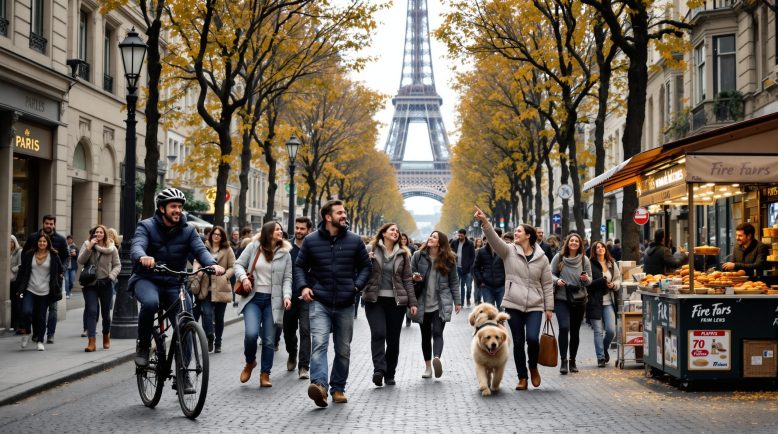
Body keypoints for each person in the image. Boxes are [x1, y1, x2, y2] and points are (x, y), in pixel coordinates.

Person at [130, 188, 225, 369]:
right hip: (147, 279)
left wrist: (211, 263)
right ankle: (143, 345)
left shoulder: (188, 230)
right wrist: (142, 257)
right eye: (173, 206)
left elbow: (200, 250)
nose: (178, 210)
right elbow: (137, 246)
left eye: (180, 206)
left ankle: (184, 372)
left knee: (186, 324)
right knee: (150, 303)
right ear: (162, 208)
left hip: (174, 283)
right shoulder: (146, 226)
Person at [295, 200, 371, 407]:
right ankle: (319, 386)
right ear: (328, 217)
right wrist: (304, 287)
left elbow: (366, 267)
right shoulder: (311, 241)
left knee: (343, 349)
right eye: (340, 212)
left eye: (344, 212)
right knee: (319, 344)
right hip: (320, 300)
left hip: (346, 302)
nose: (344, 215)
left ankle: (338, 388)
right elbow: (299, 266)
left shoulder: (355, 241)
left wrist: (356, 287)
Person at [474, 207, 553, 390]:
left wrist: (549, 308)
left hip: (535, 304)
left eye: (519, 231)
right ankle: (522, 377)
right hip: (513, 303)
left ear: (528, 236)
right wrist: (485, 222)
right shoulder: (509, 251)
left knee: (533, 339)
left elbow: (547, 284)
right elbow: (494, 240)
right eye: (516, 231)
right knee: (518, 341)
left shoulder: (542, 258)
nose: (515, 233)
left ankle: (533, 367)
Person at [234, 221, 292, 387]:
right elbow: (238, 264)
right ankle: (250, 362)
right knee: (251, 335)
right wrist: (244, 278)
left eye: (281, 229)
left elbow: (288, 278)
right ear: (268, 232)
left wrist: (287, 296)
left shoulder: (285, 253)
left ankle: (265, 374)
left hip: (273, 301)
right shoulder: (254, 247)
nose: (280, 231)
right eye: (277, 229)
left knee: (268, 340)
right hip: (253, 298)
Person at [363, 223, 418, 387]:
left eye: (397, 231)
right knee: (379, 333)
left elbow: (407, 280)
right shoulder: (370, 249)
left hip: (396, 302)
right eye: (392, 230)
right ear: (384, 233)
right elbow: (360, 269)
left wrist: (412, 302)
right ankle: (379, 370)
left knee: (393, 340)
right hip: (374, 300)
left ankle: (390, 374)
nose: (396, 232)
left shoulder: (403, 254)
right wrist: (367, 261)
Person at [412, 230, 461, 379]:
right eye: (430, 236)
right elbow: (410, 274)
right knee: (425, 335)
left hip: (440, 303)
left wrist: (457, 301)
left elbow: (454, 281)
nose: (430, 238)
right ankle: (428, 368)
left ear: (440, 242)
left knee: (438, 332)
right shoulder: (418, 256)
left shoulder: (449, 259)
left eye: (434, 237)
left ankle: (437, 358)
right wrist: (415, 277)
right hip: (422, 302)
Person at [550, 232, 592, 374]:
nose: (574, 243)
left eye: (576, 241)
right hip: (562, 298)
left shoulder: (584, 260)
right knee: (564, 327)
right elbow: (550, 274)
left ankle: (572, 360)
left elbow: (590, 280)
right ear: (567, 243)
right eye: (571, 241)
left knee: (575, 331)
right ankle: (563, 361)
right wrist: (557, 280)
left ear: (580, 244)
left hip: (579, 299)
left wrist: (585, 278)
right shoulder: (559, 257)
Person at [23, 215, 68, 344]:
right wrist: (25, 269)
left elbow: (66, 257)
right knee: (37, 310)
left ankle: (50, 334)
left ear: (54, 225)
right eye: (47, 223)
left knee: (53, 309)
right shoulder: (33, 237)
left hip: (54, 281)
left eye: (51, 223)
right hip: (35, 280)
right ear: (43, 223)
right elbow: (25, 253)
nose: (49, 225)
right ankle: (37, 333)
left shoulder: (60, 240)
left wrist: (62, 272)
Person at [15, 233, 64, 351]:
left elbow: (60, 271)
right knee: (26, 311)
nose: (42, 243)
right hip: (30, 289)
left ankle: (40, 340)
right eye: (40, 241)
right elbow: (23, 271)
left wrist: (56, 284)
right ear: (36, 243)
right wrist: (19, 286)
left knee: (41, 317)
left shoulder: (53, 255)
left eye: (44, 241)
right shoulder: (29, 254)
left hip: (45, 291)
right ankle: (27, 332)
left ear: (48, 243)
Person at [192, 225, 236, 353]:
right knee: (206, 313)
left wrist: (225, 276)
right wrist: (197, 271)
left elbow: (233, 266)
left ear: (222, 237)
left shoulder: (227, 249)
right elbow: (197, 261)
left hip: (221, 287)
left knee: (219, 317)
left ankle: (218, 342)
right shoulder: (204, 247)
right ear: (211, 235)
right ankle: (209, 336)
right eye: (214, 234)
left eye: (219, 234)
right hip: (206, 288)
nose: (216, 236)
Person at [77, 225, 121, 352]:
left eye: (101, 232)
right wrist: (89, 247)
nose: (99, 234)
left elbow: (117, 266)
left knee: (106, 314)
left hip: (105, 284)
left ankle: (106, 336)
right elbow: (80, 260)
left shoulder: (111, 248)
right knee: (91, 311)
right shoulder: (87, 244)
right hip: (90, 284)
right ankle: (92, 341)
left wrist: (110, 277)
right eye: (96, 232)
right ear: (93, 234)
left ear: (105, 234)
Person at [284, 217, 313, 379]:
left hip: (307, 297)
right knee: (288, 331)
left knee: (305, 330)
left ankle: (303, 366)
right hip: (289, 295)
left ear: (308, 230)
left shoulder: (312, 248)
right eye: (297, 228)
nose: (299, 231)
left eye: (302, 229)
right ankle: (292, 352)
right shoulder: (286, 247)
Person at [588, 240, 621, 368]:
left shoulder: (611, 263)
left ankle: (604, 348)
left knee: (611, 331)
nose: (600, 249)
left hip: (609, 301)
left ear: (605, 249)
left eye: (602, 247)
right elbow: (587, 283)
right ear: (594, 250)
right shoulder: (589, 264)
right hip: (594, 301)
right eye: (597, 247)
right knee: (598, 331)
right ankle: (600, 357)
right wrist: (600, 282)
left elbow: (618, 278)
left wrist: (614, 285)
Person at [473, 229, 506, 309]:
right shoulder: (482, 251)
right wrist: (481, 281)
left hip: (501, 285)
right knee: (489, 311)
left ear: (500, 237)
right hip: (487, 286)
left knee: (501, 310)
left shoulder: (504, 250)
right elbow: (475, 267)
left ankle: (500, 322)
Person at [450, 229, 475, 307]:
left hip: (467, 269)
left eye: (461, 235)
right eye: (459, 235)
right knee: (461, 286)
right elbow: (450, 251)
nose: (460, 236)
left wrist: (470, 265)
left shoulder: (470, 244)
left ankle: (468, 298)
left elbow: (472, 256)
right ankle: (461, 302)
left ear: (465, 235)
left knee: (469, 286)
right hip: (457, 267)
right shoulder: (454, 242)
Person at [10, 235, 23, 332]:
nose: (10, 244)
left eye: (12, 242)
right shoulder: (6, 251)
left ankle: (16, 324)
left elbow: (21, 265)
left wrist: (12, 269)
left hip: (15, 281)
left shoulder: (19, 251)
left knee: (16, 303)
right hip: (7, 282)